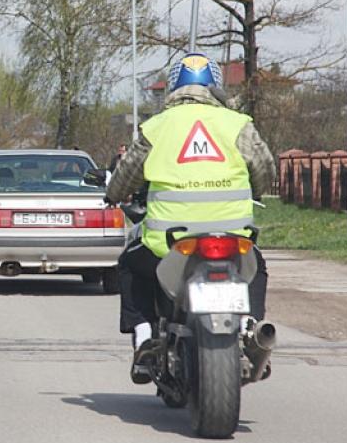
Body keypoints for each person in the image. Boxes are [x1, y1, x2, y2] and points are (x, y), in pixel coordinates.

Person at [105, 53, 275, 383]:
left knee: (129, 265)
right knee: (257, 267)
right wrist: (254, 188)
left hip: (169, 243)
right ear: (216, 87)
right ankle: (250, 326)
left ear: (173, 88)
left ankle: (144, 336)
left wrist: (114, 194)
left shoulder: (157, 127)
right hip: (232, 238)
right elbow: (265, 170)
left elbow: (126, 176)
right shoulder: (236, 123)